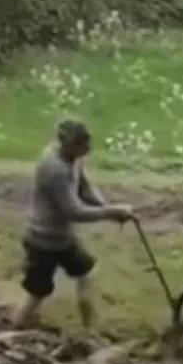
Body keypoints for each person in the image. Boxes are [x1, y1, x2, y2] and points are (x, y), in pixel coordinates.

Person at [13, 119, 136, 331]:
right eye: (82, 146)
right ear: (67, 144)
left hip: (63, 238)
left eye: (88, 144)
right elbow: (74, 211)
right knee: (38, 292)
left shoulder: (72, 157)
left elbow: (84, 186)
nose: (87, 150)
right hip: (43, 240)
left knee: (85, 272)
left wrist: (107, 206)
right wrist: (111, 212)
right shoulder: (54, 169)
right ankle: (16, 325)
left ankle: (90, 329)